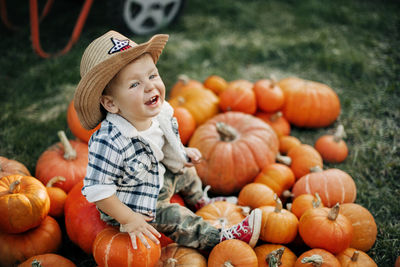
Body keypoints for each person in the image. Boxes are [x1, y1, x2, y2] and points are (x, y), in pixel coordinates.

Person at [73, 30, 262, 251]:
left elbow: (164, 143)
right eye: (134, 84)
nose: (150, 87)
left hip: (156, 177)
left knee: (186, 171)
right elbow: (98, 190)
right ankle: (218, 240)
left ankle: (200, 199)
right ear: (111, 103)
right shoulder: (109, 141)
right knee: (174, 216)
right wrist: (129, 219)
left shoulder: (159, 112)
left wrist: (183, 152)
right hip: (134, 203)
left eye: (152, 76)